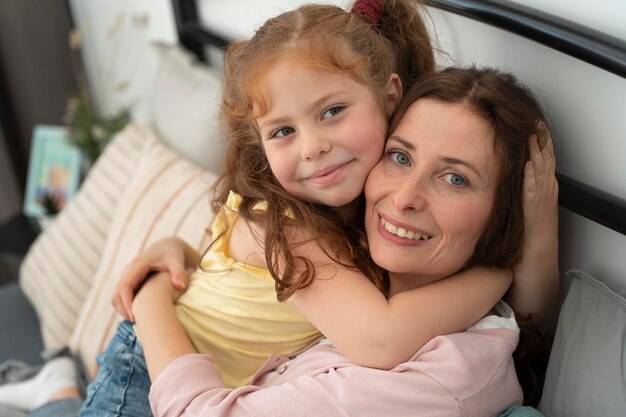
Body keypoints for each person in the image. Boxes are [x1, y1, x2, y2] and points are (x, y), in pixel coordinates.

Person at [0, 2, 557, 417]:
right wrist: (500, 272)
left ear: (390, 99)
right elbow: (380, 339)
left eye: (333, 111)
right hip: (143, 375)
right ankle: (59, 389)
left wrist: (534, 242)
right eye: (285, 130)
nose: (312, 146)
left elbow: (526, 323)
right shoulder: (292, 226)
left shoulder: (360, 202)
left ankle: (56, 387)